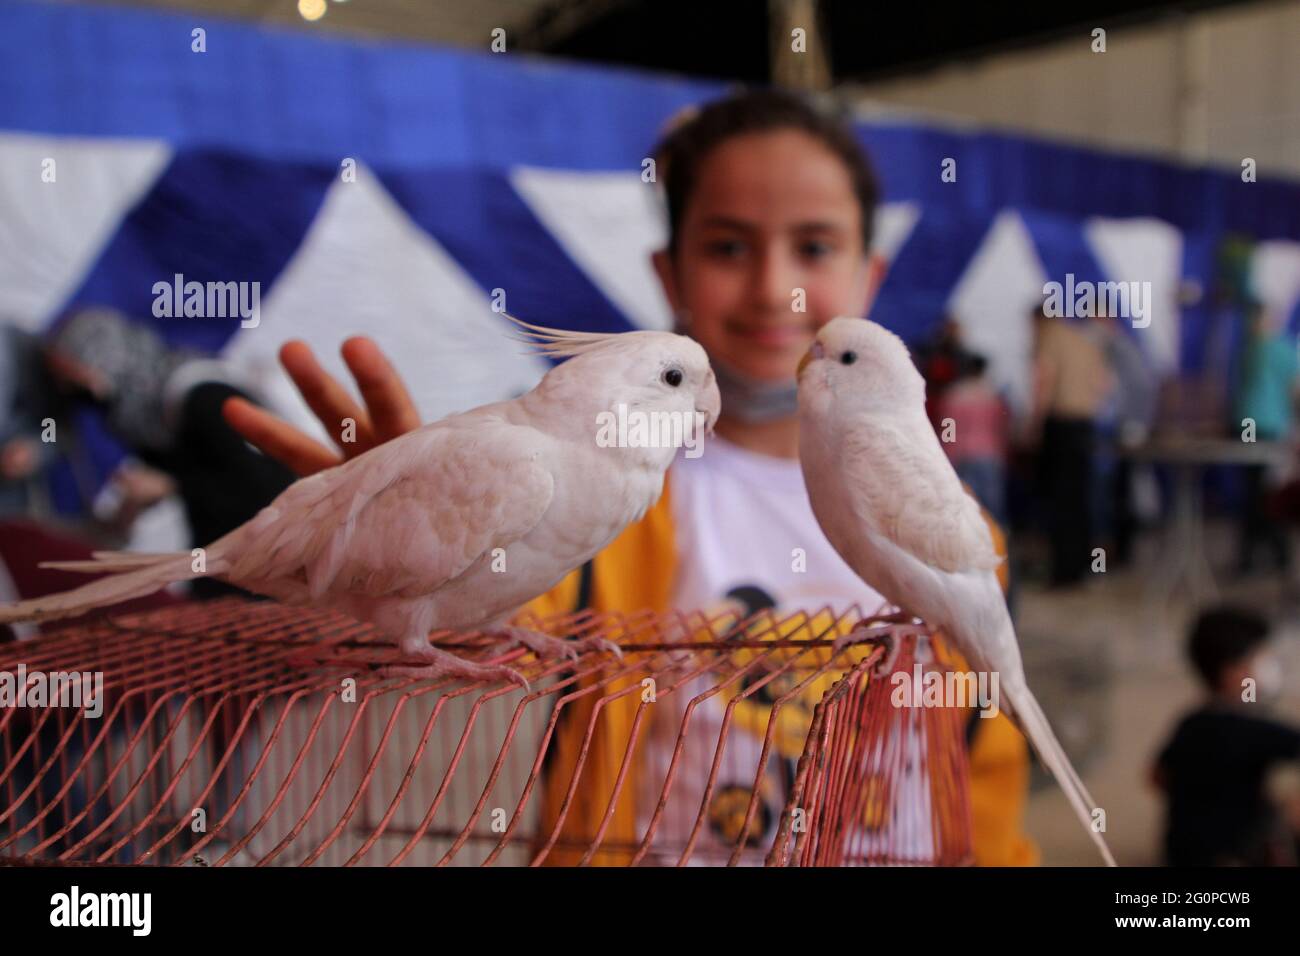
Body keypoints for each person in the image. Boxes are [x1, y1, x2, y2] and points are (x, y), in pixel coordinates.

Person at [224, 89, 1039, 866]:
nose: (770, 286)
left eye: (815, 246)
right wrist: (413, 513)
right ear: (668, 274)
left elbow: (985, 767)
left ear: (872, 277)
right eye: (727, 246)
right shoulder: (609, 489)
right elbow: (494, 602)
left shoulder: (958, 522)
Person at [45, 307, 298, 596]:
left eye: (75, 379)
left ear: (104, 358)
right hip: (223, 559)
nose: (73, 391)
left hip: (271, 558)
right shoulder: (145, 415)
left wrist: (171, 484)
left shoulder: (201, 394)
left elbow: (262, 487)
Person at [1152, 606, 1300, 866]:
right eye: (1261, 658)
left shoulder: (1191, 721)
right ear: (1233, 671)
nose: (1270, 666)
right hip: (1233, 855)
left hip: (1180, 853)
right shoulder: (1255, 730)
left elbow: (1155, 776)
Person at [1030, 308, 1114, 586]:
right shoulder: (1084, 340)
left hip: (1061, 425)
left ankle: (1063, 571)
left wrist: (1034, 425)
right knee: (1080, 499)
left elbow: (1045, 382)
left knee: (1060, 500)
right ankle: (1082, 568)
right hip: (1085, 426)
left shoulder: (1050, 337)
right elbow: (1103, 384)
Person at [1232, 305, 1297, 574]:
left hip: (1254, 425)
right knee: (1261, 491)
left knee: (1257, 491)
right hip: (1263, 426)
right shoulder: (1271, 350)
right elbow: (1294, 389)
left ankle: (1258, 554)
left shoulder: (1256, 350)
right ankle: (1270, 553)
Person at [932, 352, 1010, 526]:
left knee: (964, 508)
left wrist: (946, 456)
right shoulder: (993, 396)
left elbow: (948, 431)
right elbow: (1000, 429)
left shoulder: (954, 396)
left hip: (962, 455)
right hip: (989, 454)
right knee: (993, 508)